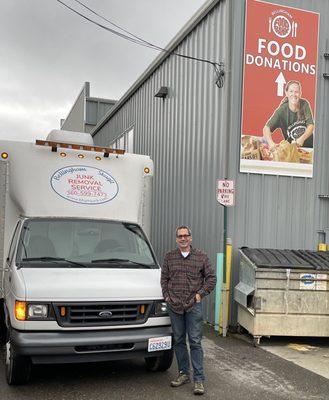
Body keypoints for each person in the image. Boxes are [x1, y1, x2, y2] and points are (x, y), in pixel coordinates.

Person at [161, 226, 216, 396]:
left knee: (195, 341)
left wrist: (200, 295)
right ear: (176, 239)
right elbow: (164, 279)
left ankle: (199, 379)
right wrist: (167, 297)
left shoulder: (201, 257)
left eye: (186, 236)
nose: (183, 239)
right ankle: (184, 373)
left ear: (191, 238)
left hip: (193, 306)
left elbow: (211, 278)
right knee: (178, 340)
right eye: (180, 236)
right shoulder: (169, 257)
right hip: (174, 306)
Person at [263, 80, 314, 149]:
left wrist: (302, 139)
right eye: (291, 91)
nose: (294, 94)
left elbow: (311, 125)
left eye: (296, 92)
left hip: (310, 148)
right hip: (292, 149)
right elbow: (266, 128)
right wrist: (271, 143)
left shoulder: (304, 104)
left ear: (300, 93)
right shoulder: (281, 110)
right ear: (286, 93)